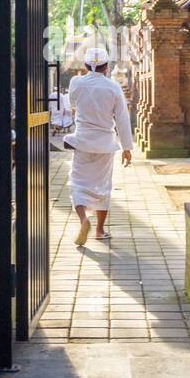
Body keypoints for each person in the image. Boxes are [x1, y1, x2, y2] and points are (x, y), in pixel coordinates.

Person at [64, 47, 133, 245]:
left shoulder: (77, 82)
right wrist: (127, 147)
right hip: (105, 144)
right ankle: (100, 231)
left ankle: (83, 219)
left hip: (83, 141)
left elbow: (72, 104)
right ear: (106, 67)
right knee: (103, 186)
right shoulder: (113, 87)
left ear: (86, 66)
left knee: (77, 183)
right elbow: (122, 118)